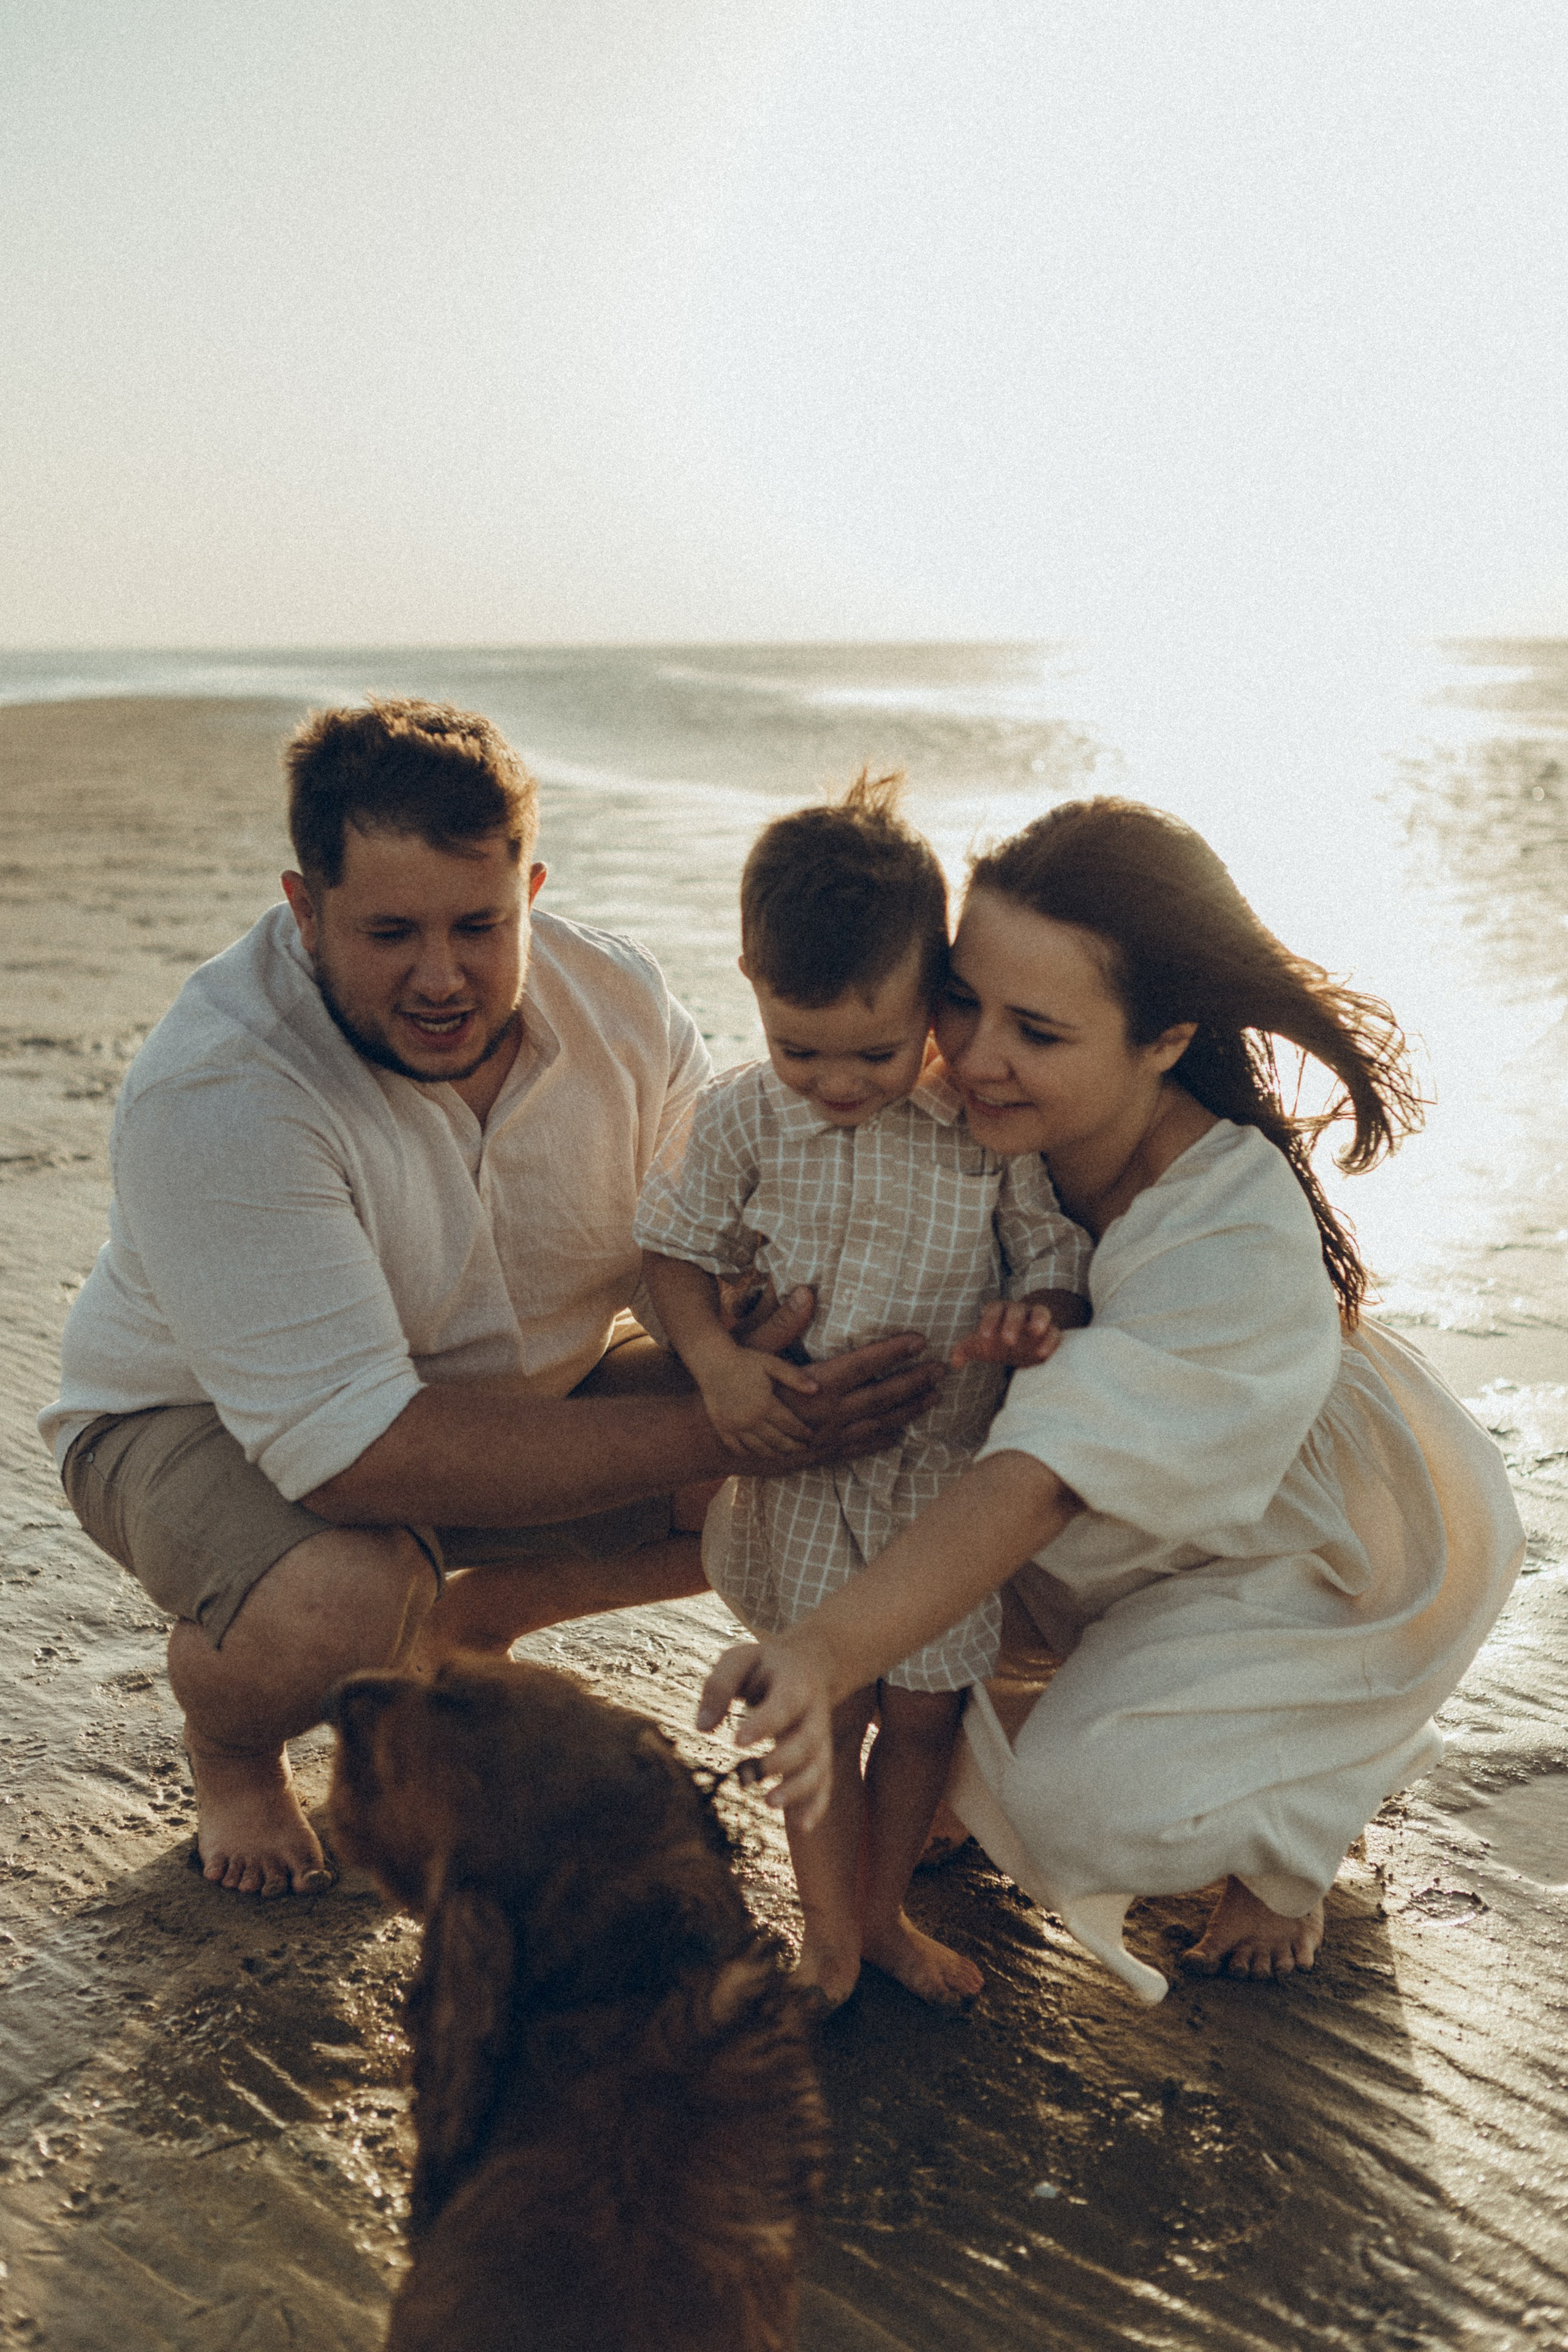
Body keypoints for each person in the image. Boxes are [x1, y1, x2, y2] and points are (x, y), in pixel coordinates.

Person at [39, 700, 942, 1900]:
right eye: (390, 932)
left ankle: (481, 1611)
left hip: (524, 1394)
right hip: (203, 1425)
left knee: (833, 1405)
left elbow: (694, 1239)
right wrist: (731, 1425)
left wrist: (750, 1352)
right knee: (340, 1600)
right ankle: (232, 1747)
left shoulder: (618, 1000)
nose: (442, 977)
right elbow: (353, 1458)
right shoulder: (221, 1088)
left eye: (481, 925)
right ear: (305, 908)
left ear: (531, 889)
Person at [697, 797, 1525, 2001]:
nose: (974, 1055)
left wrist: (820, 1656)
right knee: (776, 1512)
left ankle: (1305, 1808)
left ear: (1162, 1039)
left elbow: (1038, 1483)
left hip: (1311, 1560)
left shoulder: (1230, 1234)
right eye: (961, 999)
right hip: (1104, 1531)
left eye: (1036, 1031)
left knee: (1069, 1810)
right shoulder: (952, 1110)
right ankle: (985, 1744)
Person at [636, 774, 1091, 2008]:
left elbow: (1049, 1252)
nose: (837, 1084)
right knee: (824, 1707)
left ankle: (884, 1911)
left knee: (927, 1713)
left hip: (940, 1484)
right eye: (801, 1050)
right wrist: (717, 1363)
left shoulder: (976, 1122)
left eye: (875, 1053)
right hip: (802, 1475)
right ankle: (830, 1936)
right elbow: (671, 1251)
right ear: (749, 978)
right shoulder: (743, 1117)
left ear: (933, 994)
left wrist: (1036, 1318)